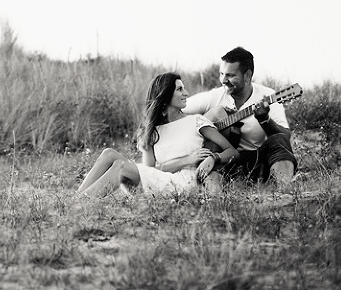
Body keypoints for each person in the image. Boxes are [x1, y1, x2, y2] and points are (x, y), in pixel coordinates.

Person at [77, 72, 239, 198]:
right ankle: (77, 198)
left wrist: (213, 158)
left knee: (121, 165)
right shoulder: (152, 131)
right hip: (158, 179)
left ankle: (81, 203)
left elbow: (232, 151)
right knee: (108, 153)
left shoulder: (196, 121)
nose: (187, 93)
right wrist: (186, 160)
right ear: (166, 94)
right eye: (180, 89)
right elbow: (151, 169)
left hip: (183, 182)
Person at [182, 46, 297, 187]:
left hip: (258, 163)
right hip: (226, 163)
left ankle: (282, 193)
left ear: (247, 76)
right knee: (212, 144)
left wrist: (264, 120)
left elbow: (284, 137)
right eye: (221, 74)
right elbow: (178, 109)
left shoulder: (267, 96)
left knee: (279, 139)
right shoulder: (215, 96)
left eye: (230, 75)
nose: (223, 80)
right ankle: (214, 197)